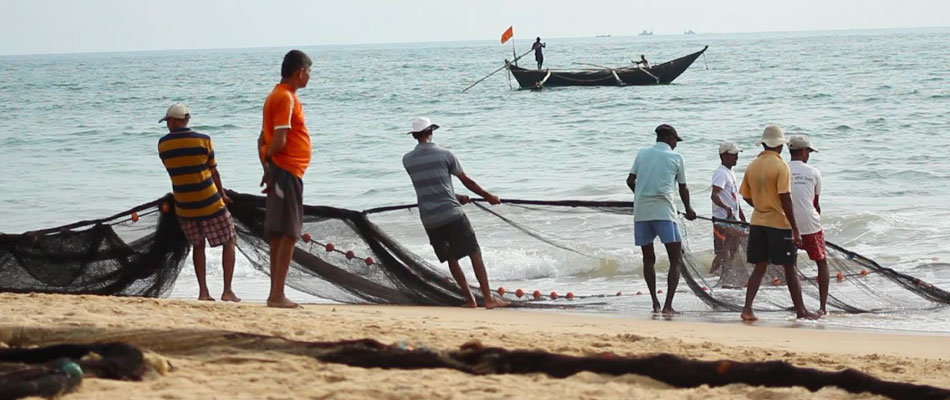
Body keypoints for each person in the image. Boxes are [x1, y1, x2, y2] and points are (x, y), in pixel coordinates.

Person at [402, 117, 509, 309]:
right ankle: (489, 299)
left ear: (414, 136)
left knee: (451, 258)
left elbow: (430, 185)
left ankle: (470, 299)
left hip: (429, 218)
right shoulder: (445, 154)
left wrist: (457, 195)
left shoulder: (407, 160)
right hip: (452, 214)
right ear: (431, 131)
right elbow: (467, 181)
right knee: (474, 253)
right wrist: (489, 196)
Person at [157, 103, 240, 303]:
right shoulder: (204, 140)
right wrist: (223, 195)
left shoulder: (163, 145)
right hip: (210, 202)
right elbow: (213, 172)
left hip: (184, 206)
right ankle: (227, 291)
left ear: (174, 120)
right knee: (229, 241)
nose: (167, 124)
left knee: (198, 246)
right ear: (186, 119)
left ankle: (203, 292)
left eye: (168, 120)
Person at [738, 125, 819, 321]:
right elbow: (785, 198)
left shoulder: (752, 165)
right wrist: (795, 229)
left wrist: (760, 206)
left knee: (760, 266)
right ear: (780, 146)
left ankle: (747, 309)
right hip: (778, 224)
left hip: (758, 222)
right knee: (789, 266)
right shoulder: (781, 166)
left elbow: (745, 195)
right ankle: (801, 310)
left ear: (764, 144)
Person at [257, 50, 312, 308]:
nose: (309, 76)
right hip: (287, 172)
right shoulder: (285, 98)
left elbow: (261, 139)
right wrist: (271, 164)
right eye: (308, 71)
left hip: (283, 172)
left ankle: (274, 293)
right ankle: (277, 294)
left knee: (280, 232)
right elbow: (276, 141)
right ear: (299, 71)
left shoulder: (275, 96)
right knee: (288, 233)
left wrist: (267, 167)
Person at [626, 124, 697, 315]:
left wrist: (641, 195)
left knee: (648, 259)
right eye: (675, 141)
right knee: (676, 259)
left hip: (642, 214)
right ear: (669, 139)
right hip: (664, 213)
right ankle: (668, 306)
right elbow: (683, 187)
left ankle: (655, 303)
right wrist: (689, 209)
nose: (676, 145)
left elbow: (630, 181)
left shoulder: (642, 154)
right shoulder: (676, 158)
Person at [788, 135, 828, 315]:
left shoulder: (782, 170)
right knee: (821, 262)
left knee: (791, 264)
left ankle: (797, 304)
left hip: (786, 224)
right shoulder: (814, 172)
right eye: (809, 152)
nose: (809, 155)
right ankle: (822, 307)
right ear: (803, 151)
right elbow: (815, 203)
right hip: (810, 224)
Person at [710, 142, 746, 275]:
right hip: (722, 220)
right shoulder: (721, 173)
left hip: (733, 220)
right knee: (722, 253)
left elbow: (734, 198)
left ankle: (727, 274)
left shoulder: (730, 172)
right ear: (724, 156)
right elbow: (714, 195)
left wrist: (741, 216)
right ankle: (712, 274)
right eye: (733, 155)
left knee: (733, 250)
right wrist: (726, 208)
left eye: (737, 155)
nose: (736, 158)